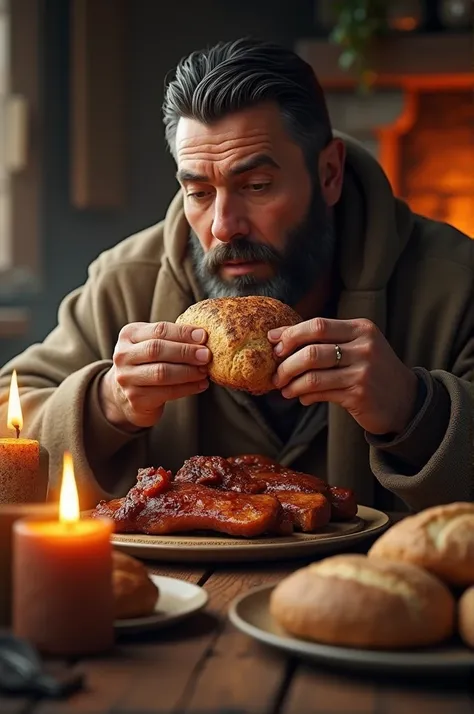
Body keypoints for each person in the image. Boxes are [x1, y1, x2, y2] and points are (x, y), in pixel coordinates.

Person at [1, 38, 473, 512]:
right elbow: (8, 419)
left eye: (257, 186)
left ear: (328, 173)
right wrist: (107, 404)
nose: (225, 226)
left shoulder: (454, 283)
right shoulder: (127, 282)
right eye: (200, 193)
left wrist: (416, 410)